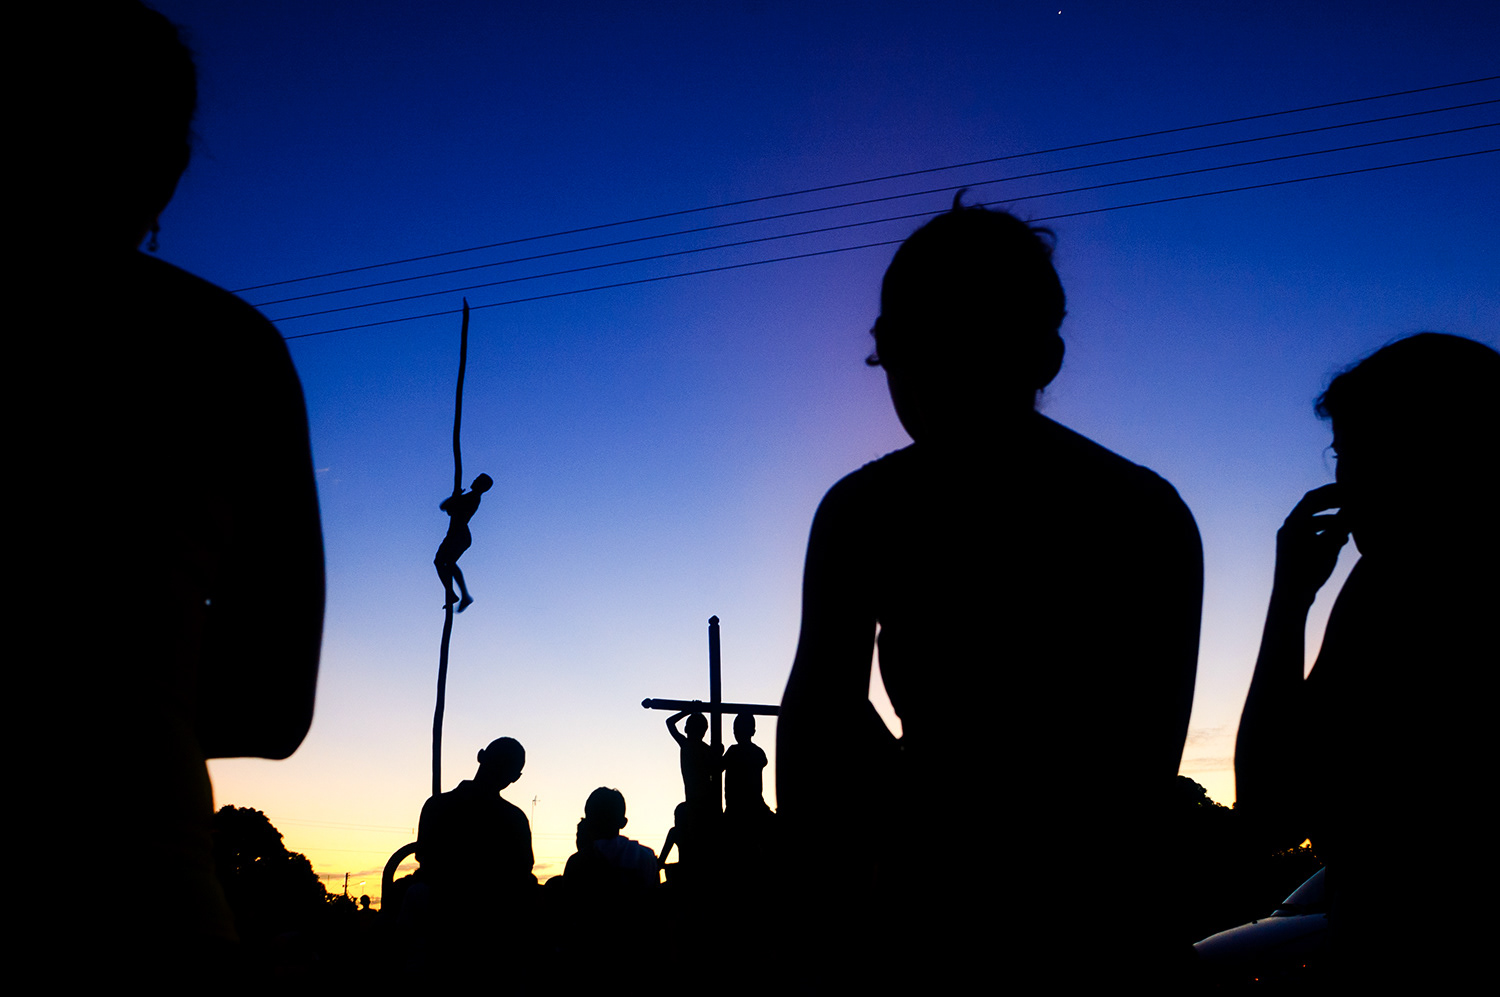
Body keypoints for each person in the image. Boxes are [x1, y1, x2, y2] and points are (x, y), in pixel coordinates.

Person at [776, 199, 1203, 980]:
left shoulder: (867, 509)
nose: (916, 378)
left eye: (941, 344)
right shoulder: (1145, 511)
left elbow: (817, 737)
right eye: (900, 349)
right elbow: (1144, 765)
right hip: (1097, 932)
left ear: (1039, 358)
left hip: (958, 929)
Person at [23, 2, 324, 977]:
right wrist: (123, 695)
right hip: (134, 909)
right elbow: (273, 707)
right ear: (168, 168)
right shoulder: (224, 351)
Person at [1235, 332, 1496, 985]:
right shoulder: (1378, 583)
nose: (1344, 480)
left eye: (1363, 453)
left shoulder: (1391, 590)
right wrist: (1292, 597)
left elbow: (1269, 810)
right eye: (1340, 455)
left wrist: (1288, 601)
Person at [435, 472, 493, 612]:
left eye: (478, 480)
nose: (474, 480)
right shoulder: (469, 497)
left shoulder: (473, 497)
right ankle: (454, 594)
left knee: (446, 562)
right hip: (456, 535)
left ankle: (458, 595)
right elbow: (447, 508)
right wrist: (455, 497)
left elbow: (447, 508)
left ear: (482, 486)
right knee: (443, 562)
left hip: (459, 535)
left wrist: (455, 497)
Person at [666, 708, 721, 810]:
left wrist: (688, 710)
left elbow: (670, 722)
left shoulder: (687, 745)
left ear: (686, 729)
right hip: (706, 800)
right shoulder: (704, 749)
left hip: (697, 799)